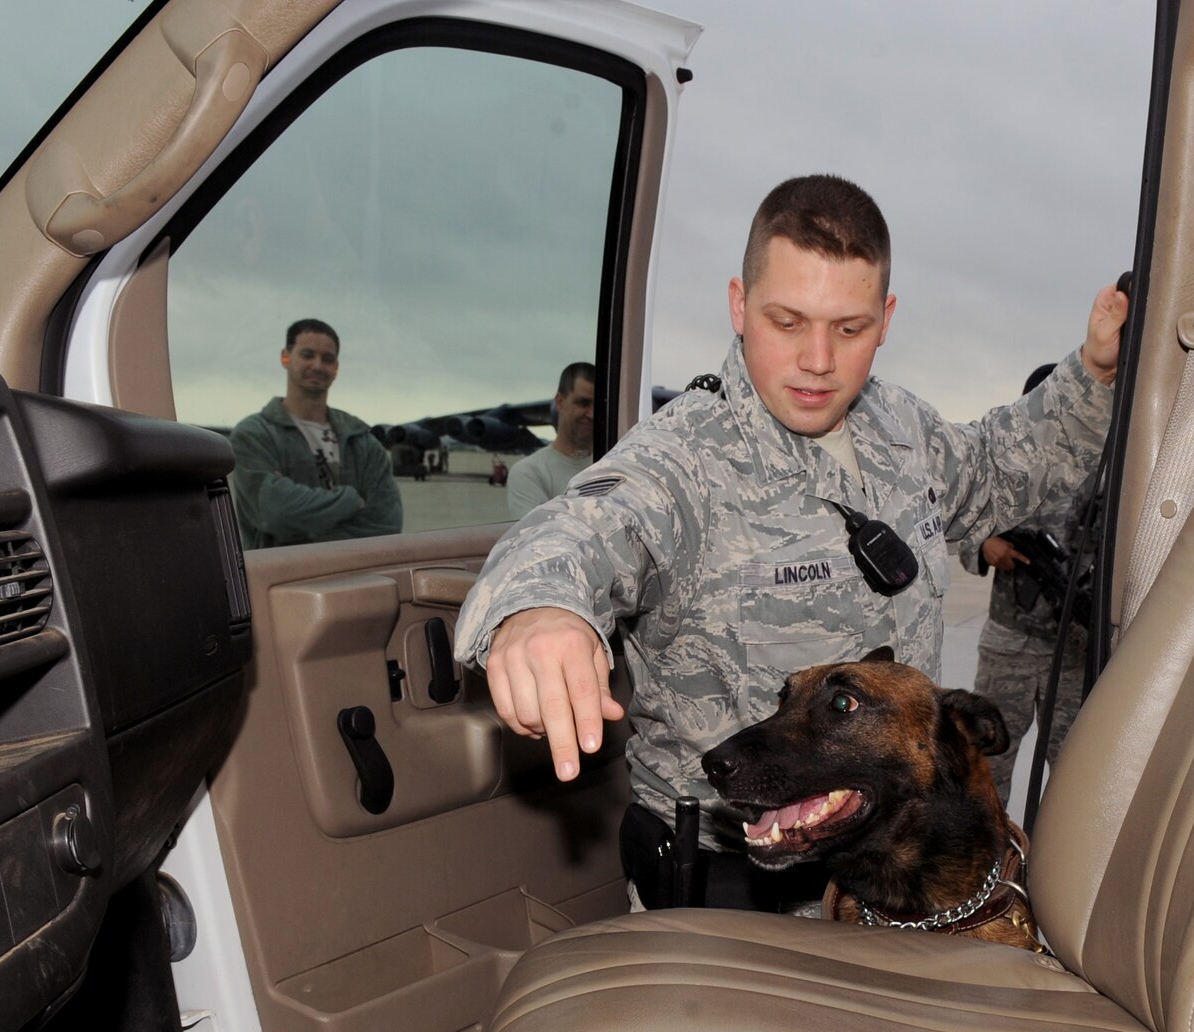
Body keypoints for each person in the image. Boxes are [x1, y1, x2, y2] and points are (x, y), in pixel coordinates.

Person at [455, 174, 1126, 911]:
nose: (818, 360)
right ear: (740, 305)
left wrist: (1093, 371)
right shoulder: (686, 459)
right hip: (736, 890)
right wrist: (541, 609)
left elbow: (1001, 467)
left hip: (877, 882)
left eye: (849, 328)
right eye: (787, 321)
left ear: (886, 318)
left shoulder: (902, 429)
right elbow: (578, 529)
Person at [962, 363, 1089, 806]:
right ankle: (990, 865)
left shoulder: (1098, 472)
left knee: (1077, 770)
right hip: (1007, 648)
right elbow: (964, 522)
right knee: (988, 765)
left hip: (1071, 651)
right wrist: (986, 545)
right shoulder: (1007, 473)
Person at [228, 319, 402, 549]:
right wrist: (350, 500)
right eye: (307, 355)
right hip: (278, 581)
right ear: (285, 357)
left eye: (327, 359)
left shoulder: (362, 441)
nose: (318, 366)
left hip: (355, 580)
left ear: (336, 368)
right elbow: (274, 513)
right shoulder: (253, 435)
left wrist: (297, 533)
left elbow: (387, 524)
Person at [506, 361, 597, 519]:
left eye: (599, 405)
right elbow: (538, 538)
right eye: (583, 403)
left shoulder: (612, 466)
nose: (591, 414)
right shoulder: (529, 473)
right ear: (560, 402)